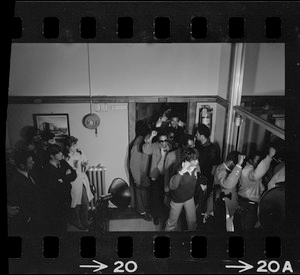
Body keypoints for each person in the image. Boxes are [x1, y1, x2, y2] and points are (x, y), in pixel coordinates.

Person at [142, 129, 179, 227]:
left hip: (166, 176)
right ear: (158, 141)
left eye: (165, 140)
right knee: (155, 198)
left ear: (168, 140)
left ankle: (165, 217)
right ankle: (156, 216)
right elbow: (145, 149)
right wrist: (151, 137)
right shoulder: (155, 146)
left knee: (165, 197)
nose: (163, 143)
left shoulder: (171, 147)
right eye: (161, 141)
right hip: (156, 176)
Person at [235, 147, 276, 233]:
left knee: (242, 229)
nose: (257, 164)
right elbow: (256, 175)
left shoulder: (249, 169)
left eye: (259, 162)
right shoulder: (246, 170)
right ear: (250, 160)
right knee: (246, 231)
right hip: (248, 205)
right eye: (256, 161)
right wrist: (269, 157)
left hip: (246, 203)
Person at [205, 151, 245, 232]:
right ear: (231, 162)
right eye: (235, 165)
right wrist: (239, 165)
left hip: (228, 207)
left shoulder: (227, 169)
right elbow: (228, 185)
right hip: (221, 208)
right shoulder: (221, 170)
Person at [165, 147, 203, 231]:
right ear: (186, 160)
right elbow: (172, 186)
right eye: (194, 160)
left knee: (192, 221)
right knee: (172, 223)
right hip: (177, 200)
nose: (196, 162)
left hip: (189, 197)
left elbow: (197, 176)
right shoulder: (177, 169)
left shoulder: (195, 167)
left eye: (197, 159)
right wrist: (182, 171)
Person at [42, 144, 77, 235]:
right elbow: (55, 185)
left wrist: (63, 178)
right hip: (56, 200)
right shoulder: (47, 168)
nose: (62, 154)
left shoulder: (63, 162)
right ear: (52, 156)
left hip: (67, 196)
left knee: (65, 220)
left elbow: (74, 175)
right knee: (58, 222)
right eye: (59, 153)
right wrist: (66, 174)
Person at [7, 150, 44, 235]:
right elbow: (15, 204)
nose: (33, 163)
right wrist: (28, 218)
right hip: (28, 221)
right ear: (22, 165)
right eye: (30, 162)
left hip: (37, 214)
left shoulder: (32, 171)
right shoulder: (13, 181)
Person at [64, 136, 94, 230]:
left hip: (82, 179)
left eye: (75, 144)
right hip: (73, 181)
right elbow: (65, 171)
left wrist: (85, 165)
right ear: (67, 147)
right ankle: (77, 222)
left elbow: (86, 163)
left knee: (85, 202)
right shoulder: (65, 156)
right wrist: (73, 169)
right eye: (73, 145)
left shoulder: (80, 152)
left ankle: (85, 222)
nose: (75, 147)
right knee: (75, 203)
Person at [129, 120, 152, 221]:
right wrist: (137, 180)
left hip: (143, 174)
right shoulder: (137, 143)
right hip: (139, 176)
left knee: (144, 196)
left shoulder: (142, 141)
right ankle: (143, 213)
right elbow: (134, 164)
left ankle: (144, 211)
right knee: (140, 196)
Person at [195, 124, 220, 213]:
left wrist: (211, 181)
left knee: (202, 199)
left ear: (202, 135)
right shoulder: (198, 145)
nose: (196, 135)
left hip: (206, 178)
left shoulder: (212, 148)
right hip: (197, 175)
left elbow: (214, 166)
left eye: (197, 133)